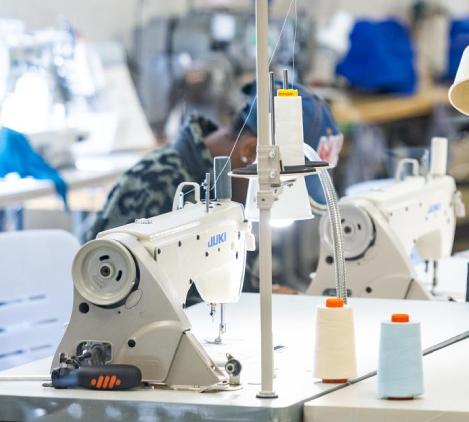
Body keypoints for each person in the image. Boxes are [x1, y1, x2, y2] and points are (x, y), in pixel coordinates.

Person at [88, 81, 342, 295]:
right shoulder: (150, 187)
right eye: (279, 187)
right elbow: (109, 295)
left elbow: (232, 285)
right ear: (252, 152)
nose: (276, 199)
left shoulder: (235, 194)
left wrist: (260, 295)